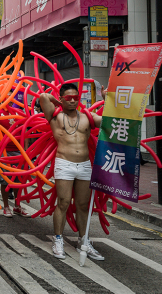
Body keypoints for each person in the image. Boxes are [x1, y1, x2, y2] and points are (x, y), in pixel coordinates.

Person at [39, 83, 104, 261]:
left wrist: (107, 99)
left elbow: (106, 121)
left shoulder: (87, 118)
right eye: (69, 97)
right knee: (63, 202)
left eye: (76, 97)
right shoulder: (55, 117)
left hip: (84, 165)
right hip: (64, 163)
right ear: (61, 99)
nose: (73, 100)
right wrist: (62, 104)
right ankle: (58, 239)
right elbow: (44, 97)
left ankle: (83, 241)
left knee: (83, 205)